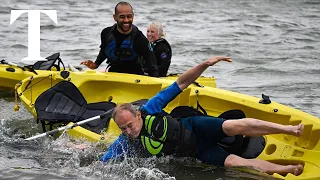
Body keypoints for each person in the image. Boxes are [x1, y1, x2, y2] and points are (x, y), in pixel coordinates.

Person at [100, 56, 304, 176]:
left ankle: (289, 129)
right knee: (233, 163)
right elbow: (103, 162)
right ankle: (287, 169)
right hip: (196, 152)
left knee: (233, 126)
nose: (128, 131)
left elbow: (180, 83)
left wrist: (205, 64)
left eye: (129, 125)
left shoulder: (150, 108)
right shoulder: (125, 143)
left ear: (137, 115)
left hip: (194, 127)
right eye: (123, 129)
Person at [80, 2, 159, 77]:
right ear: (115, 17)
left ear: (133, 16)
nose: (126, 20)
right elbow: (104, 51)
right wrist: (95, 64)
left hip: (135, 77)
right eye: (122, 17)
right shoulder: (106, 33)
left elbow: (152, 65)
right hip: (113, 74)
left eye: (129, 16)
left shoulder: (139, 38)